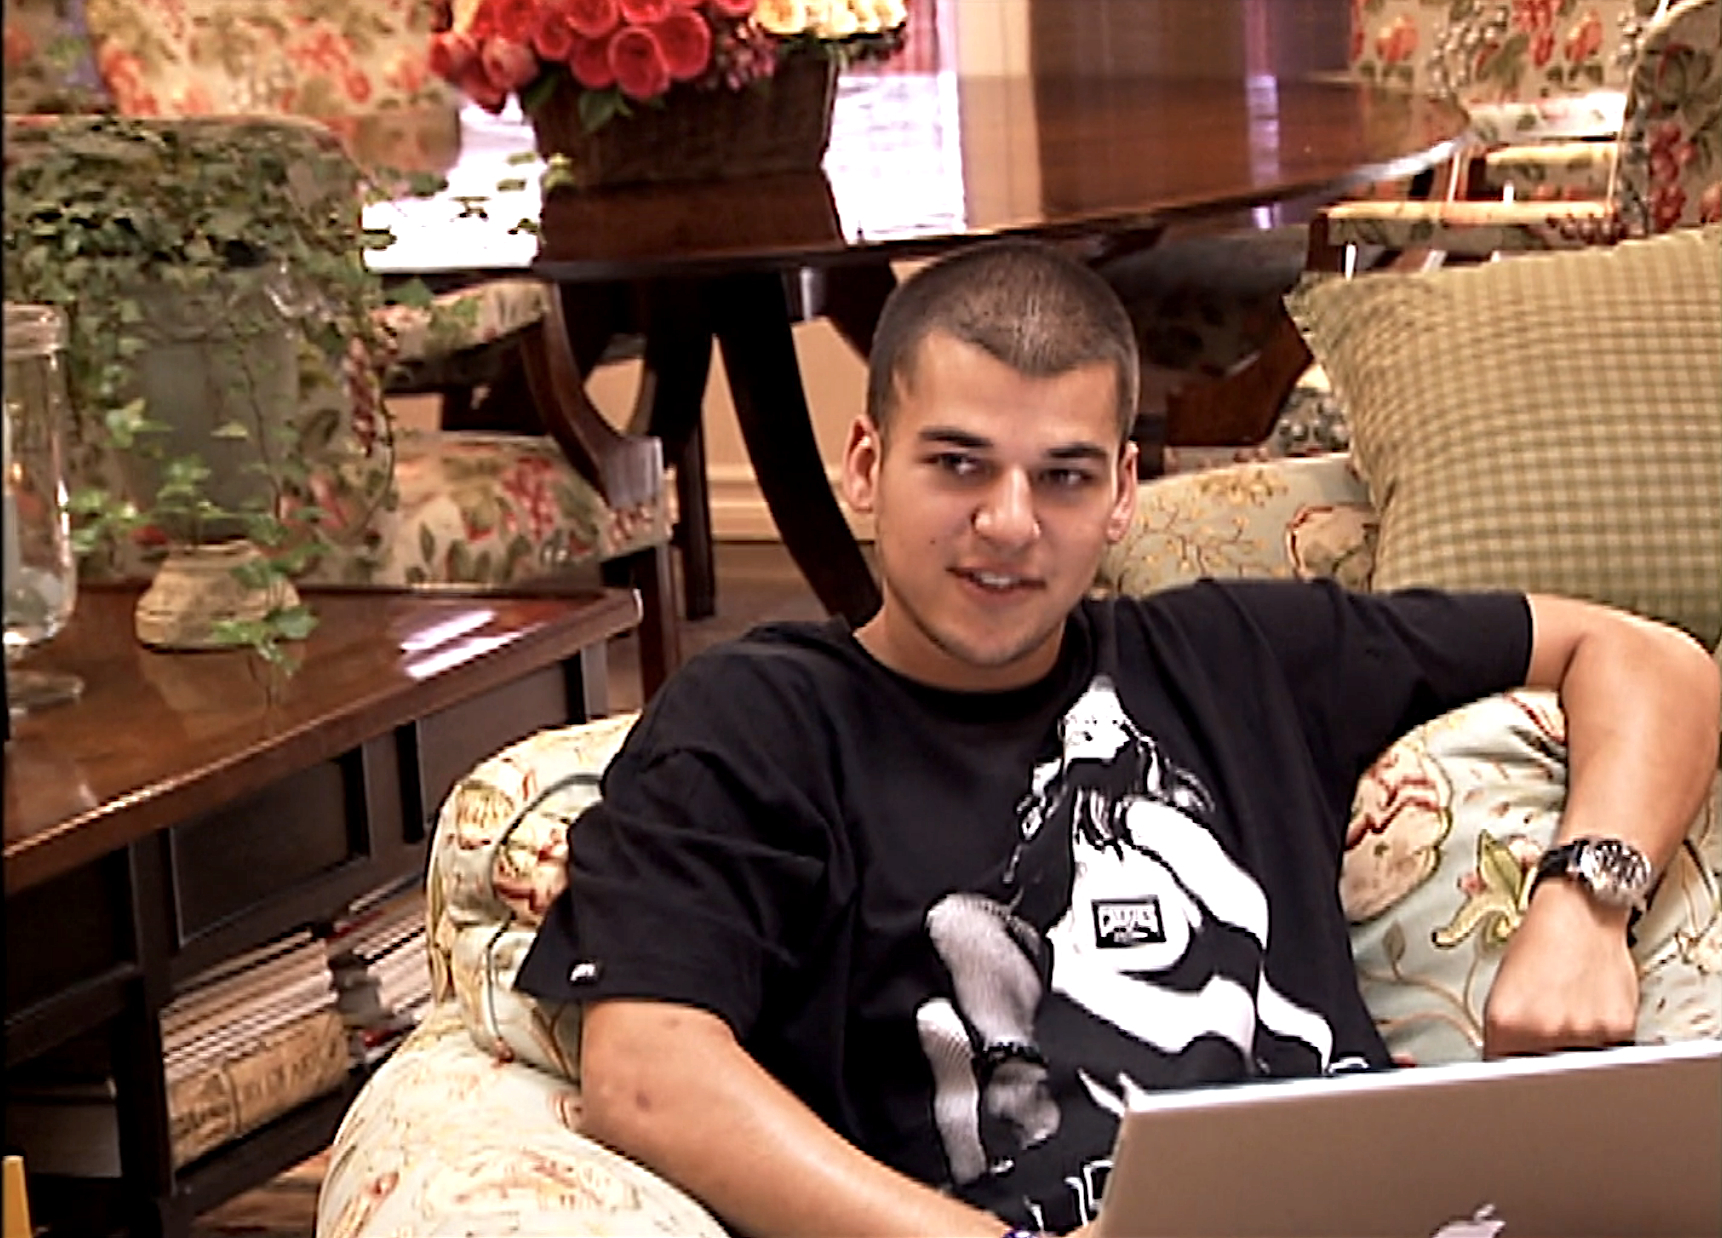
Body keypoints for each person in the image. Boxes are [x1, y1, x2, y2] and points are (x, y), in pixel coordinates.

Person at [516, 240, 1719, 1238]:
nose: (1009, 524)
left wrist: (1585, 905)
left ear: (1125, 491)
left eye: (1065, 477)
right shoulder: (759, 717)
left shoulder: (1239, 650)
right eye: (957, 465)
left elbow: (1647, 655)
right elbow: (647, 1068)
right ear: (867, 467)